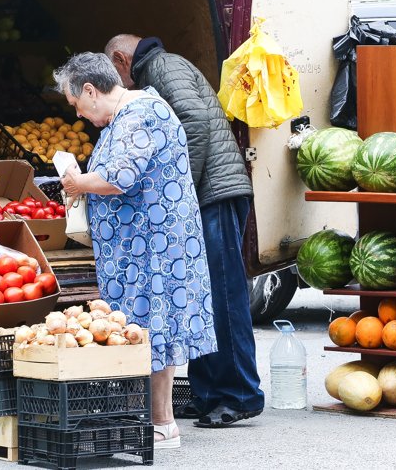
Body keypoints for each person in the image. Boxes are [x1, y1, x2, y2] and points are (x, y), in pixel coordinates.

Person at [54, 52, 217, 449]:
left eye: (77, 104)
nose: (78, 115)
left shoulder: (141, 114)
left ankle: (161, 424)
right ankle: (149, 420)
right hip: (142, 247)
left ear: (91, 90)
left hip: (152, 249)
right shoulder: (127, 116)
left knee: (152, 328)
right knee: (144, 327)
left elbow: (121, 176)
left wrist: (77, 184)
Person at [105, 35, 264, 428]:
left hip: (213, 194)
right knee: (199, 297)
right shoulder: (158, 69)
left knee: (224, 297)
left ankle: (239, 395)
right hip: (207, 194)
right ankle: (209, 393)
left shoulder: (163, 66)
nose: (119, 87)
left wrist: (180, 191)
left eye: (114, 75)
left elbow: (192, 120)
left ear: (122, 59)